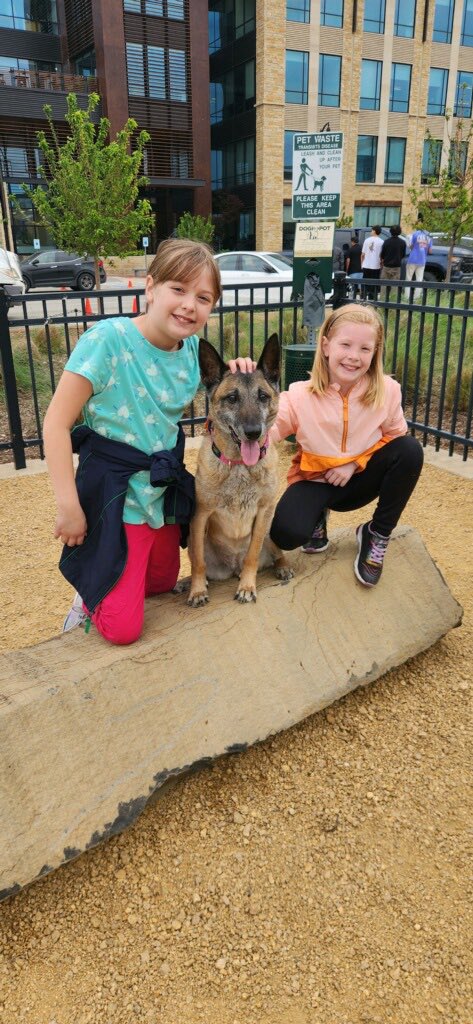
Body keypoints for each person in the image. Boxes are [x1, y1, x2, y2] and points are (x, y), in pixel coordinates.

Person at [43, 238, 253, 645]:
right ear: (151, 287)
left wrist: (240, 370)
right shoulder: (108, 342)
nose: (190, 305)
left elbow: (225, 388)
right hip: (114, 489)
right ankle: (88, 593)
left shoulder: (192, 350)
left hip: (158, 487)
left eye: (203, 297)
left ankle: (118, 574)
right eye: (178, 289)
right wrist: (68, 507)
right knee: (124, 631)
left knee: (160, 582)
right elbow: (55, 424)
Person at [268, 303, 423, 587]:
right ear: (326, 345)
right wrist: (236, 392)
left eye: (365, 348)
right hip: (316, 480)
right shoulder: (298, 396)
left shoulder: (387, 391)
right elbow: (268, 430)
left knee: (410, 450)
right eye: (346, 345)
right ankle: (317, 517)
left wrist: (354, 463)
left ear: (375, 352)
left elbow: (395, 437)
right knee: (285, 535)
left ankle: (376, 534)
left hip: (360, 480)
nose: (354, 356)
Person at [405, 221, 433, 297]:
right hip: (422, 260)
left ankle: (406, 297)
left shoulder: (415, 234)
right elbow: (430, 251)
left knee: (408, 278)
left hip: (413, 259)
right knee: (419, 279)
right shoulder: (429, 236)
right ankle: (416, 298)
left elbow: (411, 246)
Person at [361, 225, 383, 298]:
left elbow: (363, 254)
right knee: (374, 283)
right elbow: (381, 256)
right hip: (376, 266)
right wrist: (381, 264)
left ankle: (363, 298)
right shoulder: (381, 242)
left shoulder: (367, 240)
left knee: (365, 283)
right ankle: (372, 299)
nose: (371, 231)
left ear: (374, 231)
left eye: (371, 230)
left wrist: (362, 263)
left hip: (366, 265)